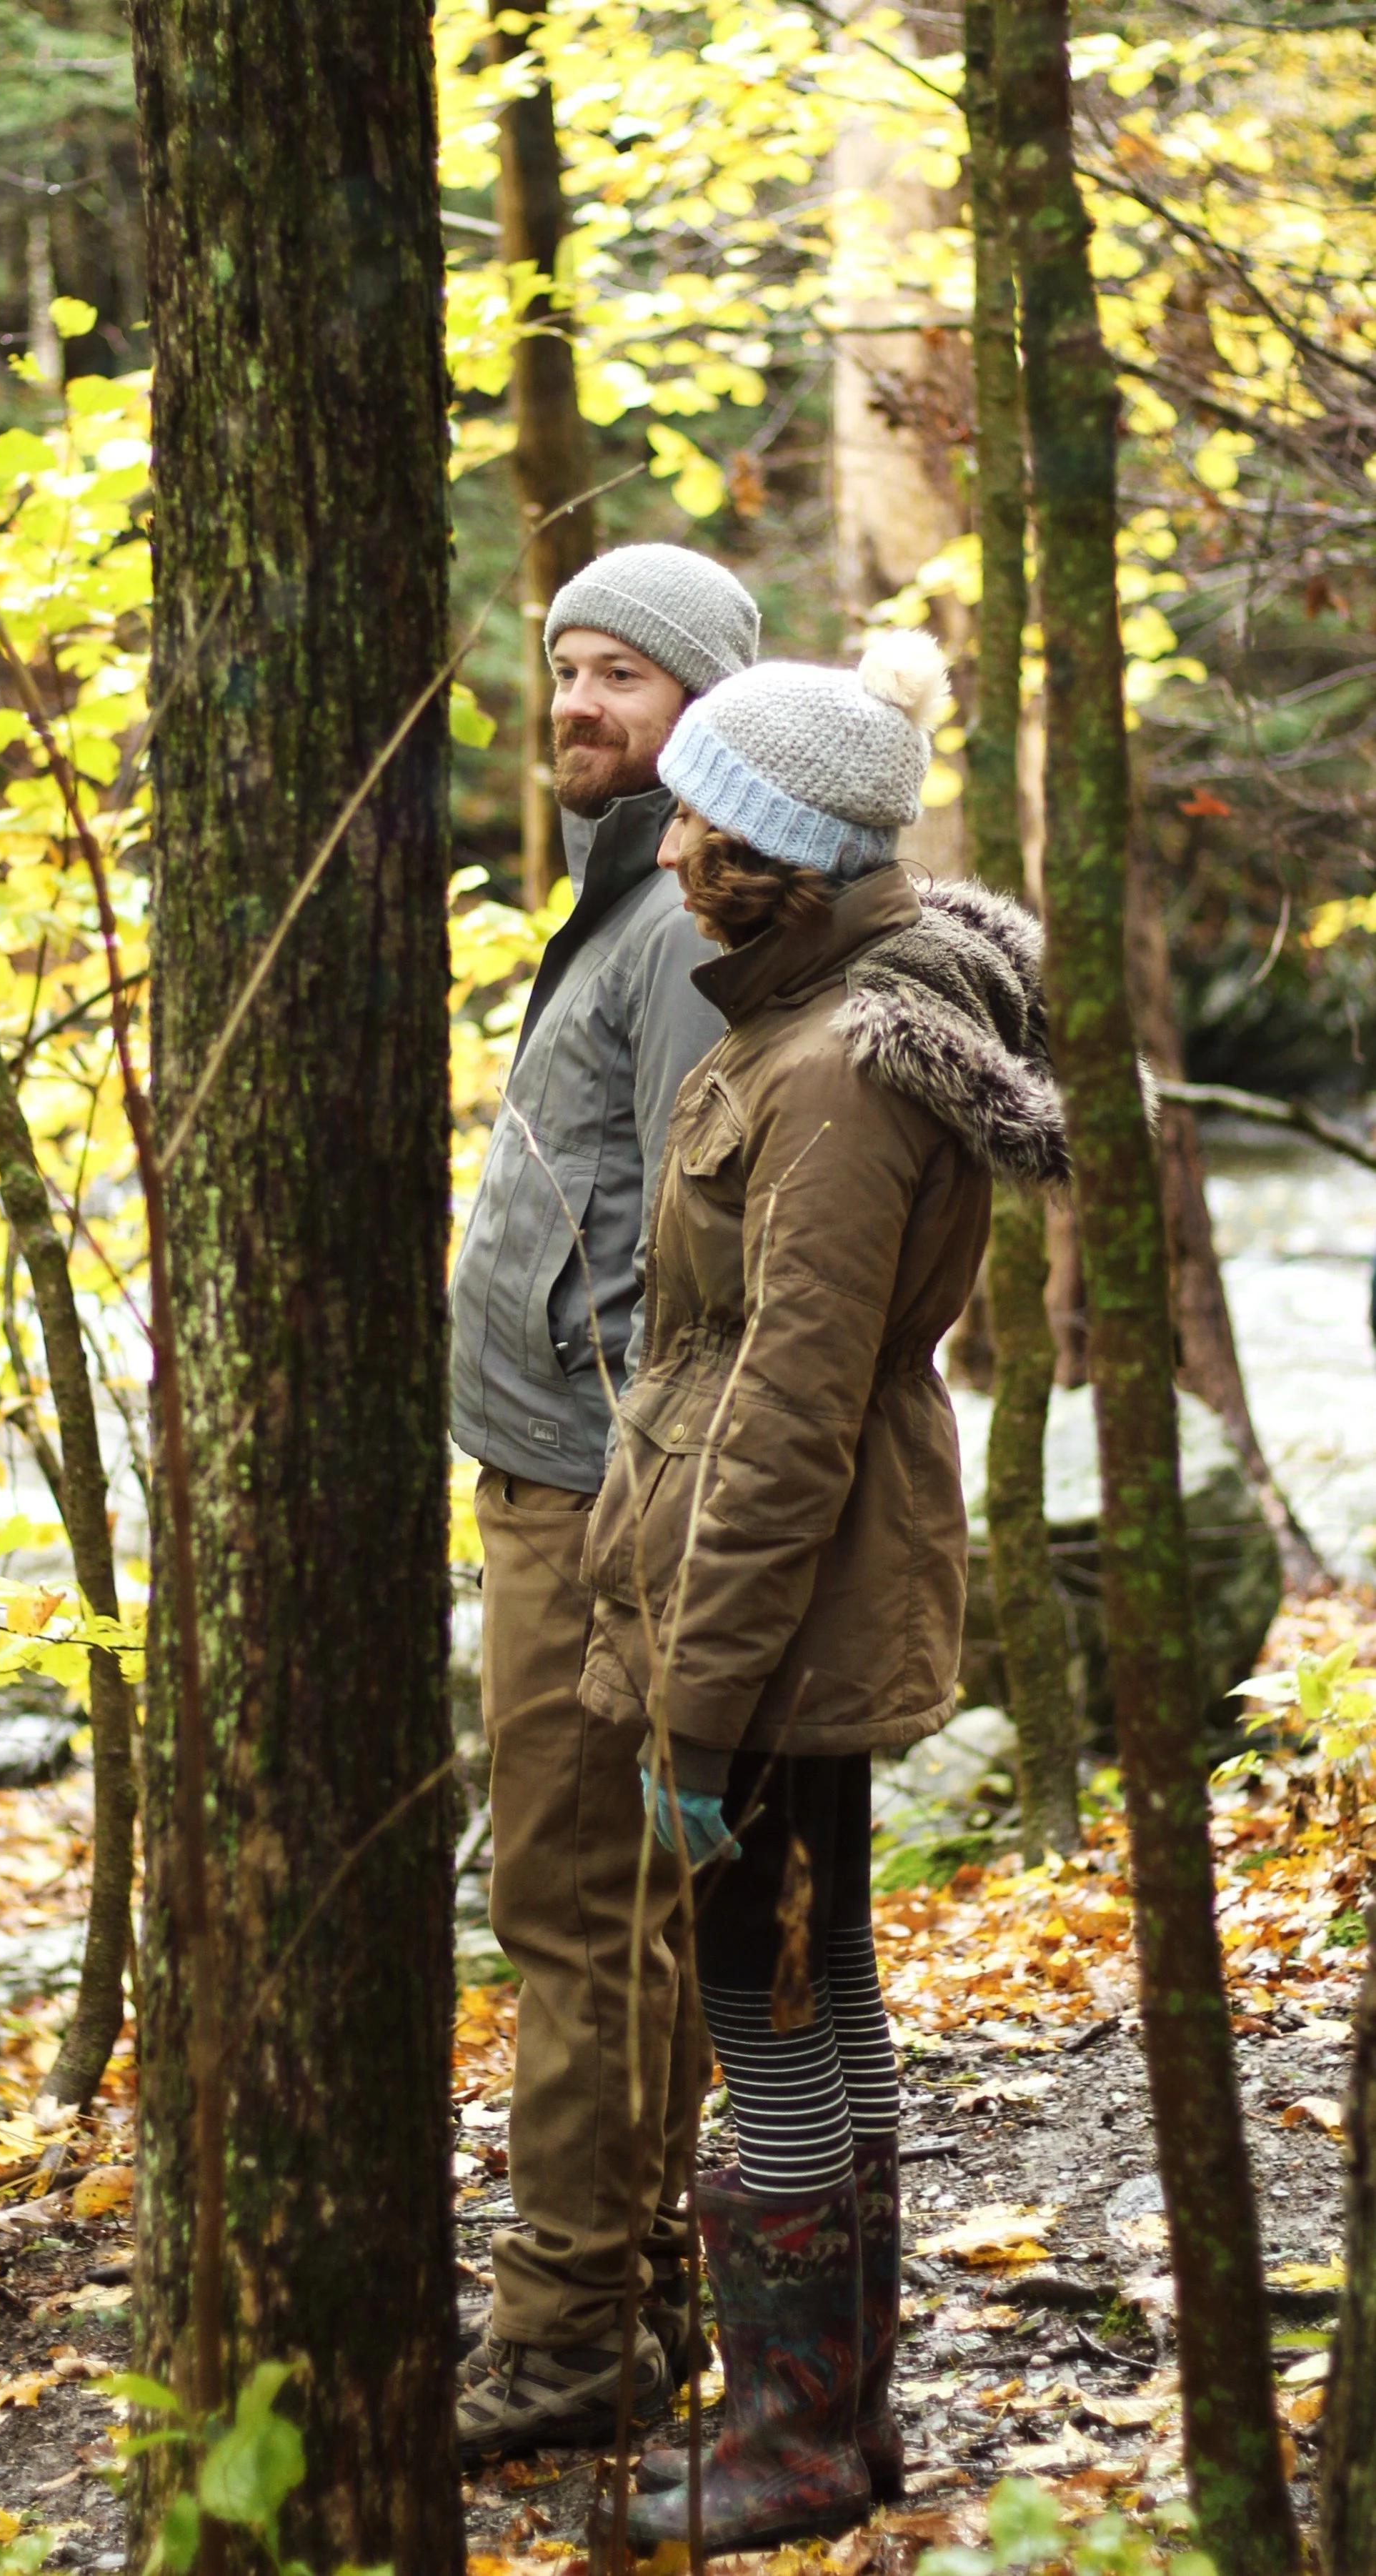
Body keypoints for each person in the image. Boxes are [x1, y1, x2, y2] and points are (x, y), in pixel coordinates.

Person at [577, 635, 1069, 2553]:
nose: (672, 831)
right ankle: (834, 2421)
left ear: (764, 844)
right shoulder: (823, 1017)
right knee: (816, 1977)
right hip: (778, 1597)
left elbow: (784, 1416)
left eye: (702, 808)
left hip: (771, 1615)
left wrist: (699, 1704)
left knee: (764, 2003)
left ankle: (786, 2440)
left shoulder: (839, 1069)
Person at [449, 543, 762, 2457]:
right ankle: (635, 2289)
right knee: (621, 1912)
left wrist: (654, 1525)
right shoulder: (628, 884)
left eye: (623, 675)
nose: (578, 703)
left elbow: (690, 1250)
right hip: (562, 1474)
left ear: (704, 705)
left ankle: (564, 2329)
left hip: (595, 1496)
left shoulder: (679, 926)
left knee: (571, 1908)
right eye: (565, 666)